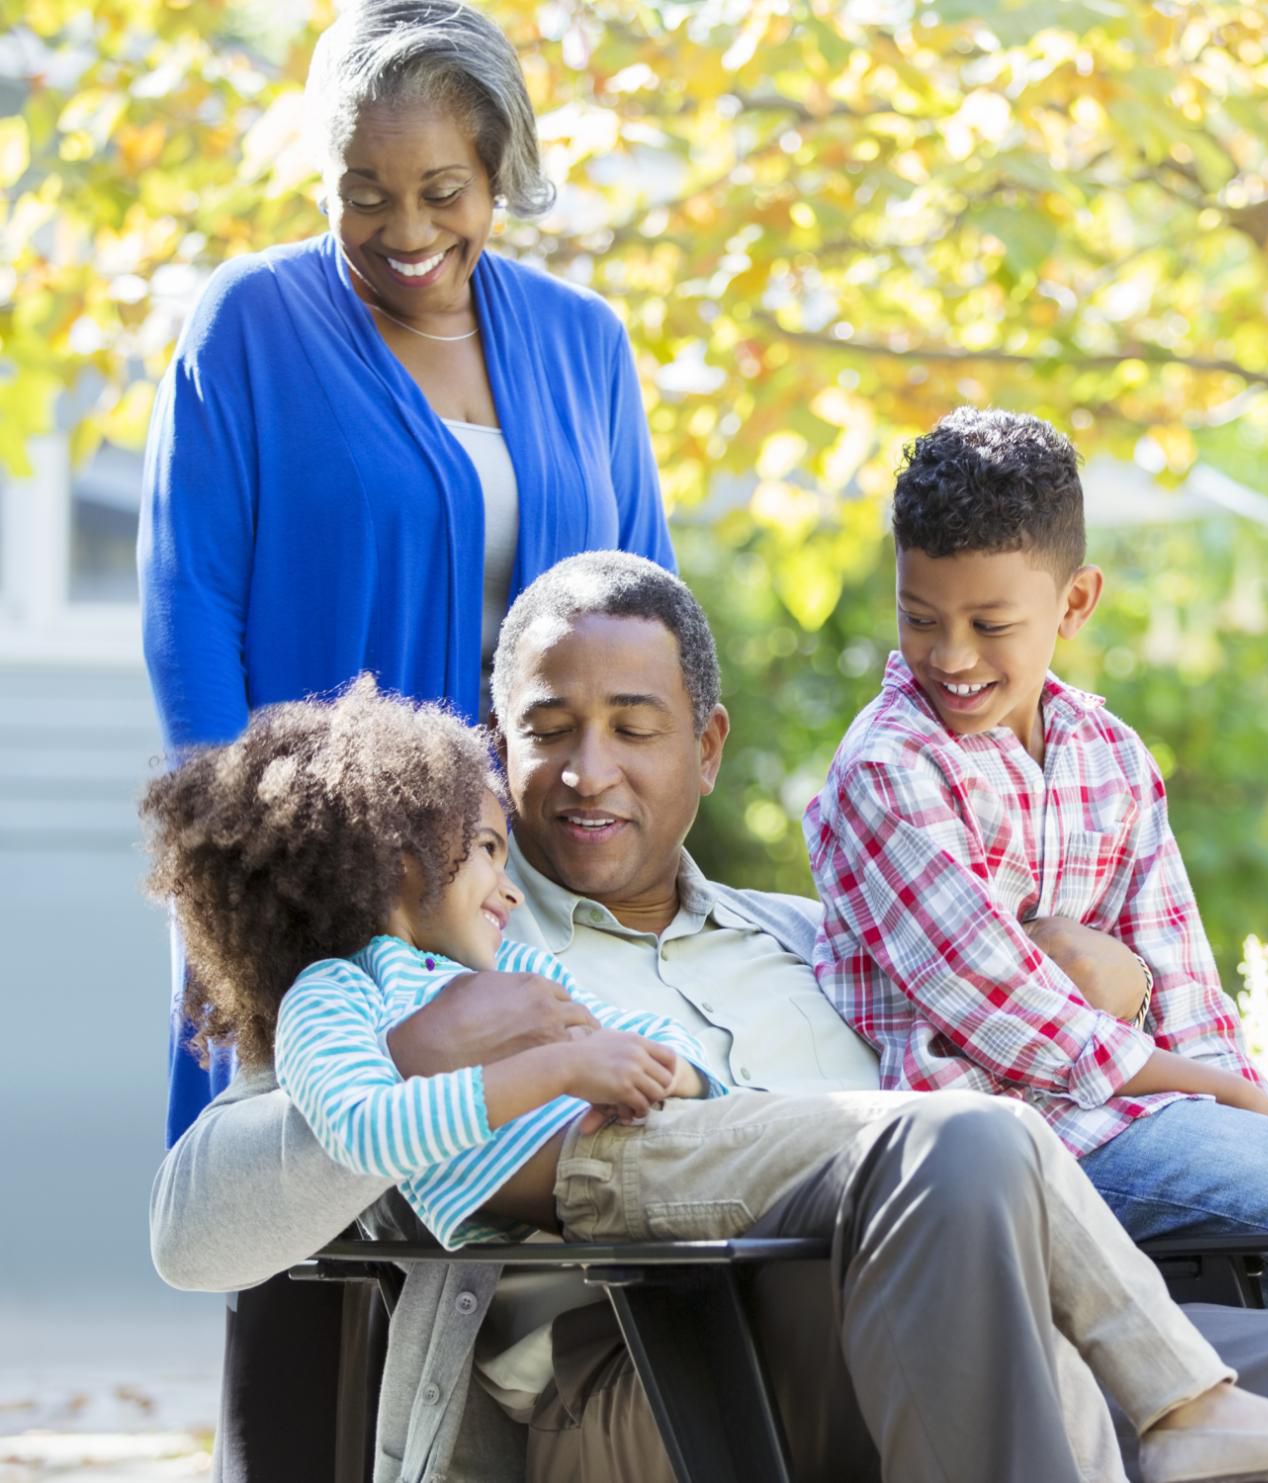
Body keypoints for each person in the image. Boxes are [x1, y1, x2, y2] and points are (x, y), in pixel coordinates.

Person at [150, 551, 1268, 1483]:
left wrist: (1101, 972)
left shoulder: (822, 943)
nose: (588, 770)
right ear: (491, 741)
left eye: (635, 726)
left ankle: (1166, 1407)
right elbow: (195, 1226)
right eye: (546, 728)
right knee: (957, 1147)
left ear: (706, 747)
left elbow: (1012, 1011)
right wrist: (429, 1051)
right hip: (683, 1381)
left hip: (994, 1334)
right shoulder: (431, 961)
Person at [138, 3, 678, 1472]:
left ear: (499, 172)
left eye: (442, 191)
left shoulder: (584, 346)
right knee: (315, 1217)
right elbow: (189, 612)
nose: (404, 228)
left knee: (548, 1243)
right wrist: (247, 889)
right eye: (363, 191)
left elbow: (641, 600)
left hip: (528, 882)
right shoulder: (249, 324)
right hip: (324, 886)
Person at [803, 408, 1268, 1333]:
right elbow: (1006, 1014)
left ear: (1074, 603)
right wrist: (1203, 1084)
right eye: (919, 618)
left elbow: (1181, 981)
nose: (949, 656)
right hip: (1009, 1146)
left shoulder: (1108, 752)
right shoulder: (891, 769)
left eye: (988, 623)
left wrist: (1248, 1106)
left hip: (1138, 1118)